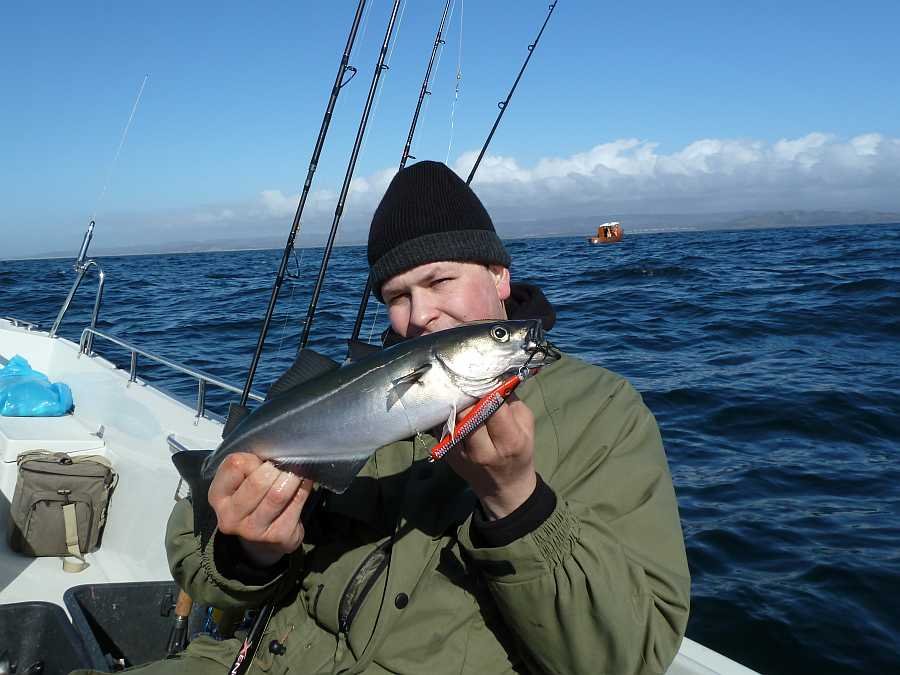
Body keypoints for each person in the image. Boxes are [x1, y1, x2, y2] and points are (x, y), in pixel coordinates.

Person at [104, 161, 690, 674]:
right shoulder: (339, 389)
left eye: (440, 281)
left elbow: (627, 658)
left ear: (499, 277)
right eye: (396, 296)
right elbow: (198, 568)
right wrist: (247, 553)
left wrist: (516, 501)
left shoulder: (605, 410)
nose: (421, 315)